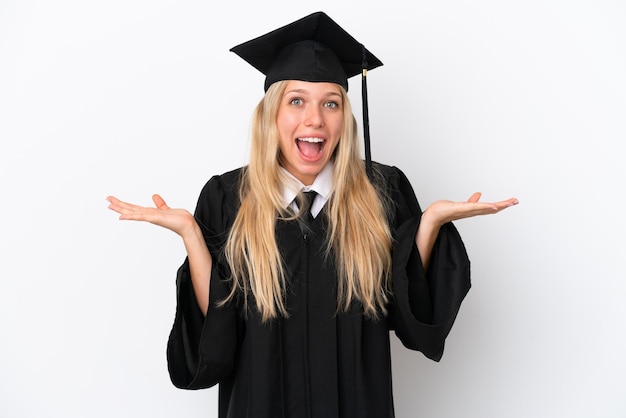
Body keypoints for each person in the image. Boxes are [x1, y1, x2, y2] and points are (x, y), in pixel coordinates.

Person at [107, 11, 518, 418]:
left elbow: (411, 321)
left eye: (331, 103)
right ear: (271, 114)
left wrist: (428, 225)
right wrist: (192, 238)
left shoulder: (382, 193)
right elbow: (217, 344)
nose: (314, 119)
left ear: (345, 118)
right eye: (297, 100)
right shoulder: (227, 198)